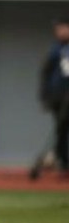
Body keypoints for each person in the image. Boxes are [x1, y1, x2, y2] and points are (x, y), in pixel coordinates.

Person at [31, 17, 69, 179]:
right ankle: (63, 162)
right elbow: (46, 72)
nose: (61, 31)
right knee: (61, 130)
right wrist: (45, 96)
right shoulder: (56, 49)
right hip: (58, 96)